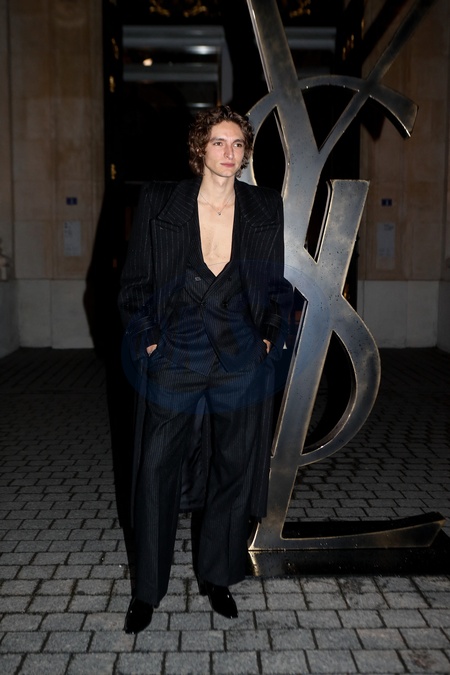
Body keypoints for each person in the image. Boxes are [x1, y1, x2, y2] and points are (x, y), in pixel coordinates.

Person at [118, 105, 293, 634]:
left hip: (240, 358)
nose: (229, 153)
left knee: (233, 468)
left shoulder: (264, 206)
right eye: (219, 142)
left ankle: (217, 577)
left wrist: (267, 336)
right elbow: (134, 284)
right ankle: (147, 591)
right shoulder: (160, 202)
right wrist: (149, 342)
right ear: (200, 148)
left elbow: (275, 283)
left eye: (238, 144)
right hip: (175, 354)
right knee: (156, 470)